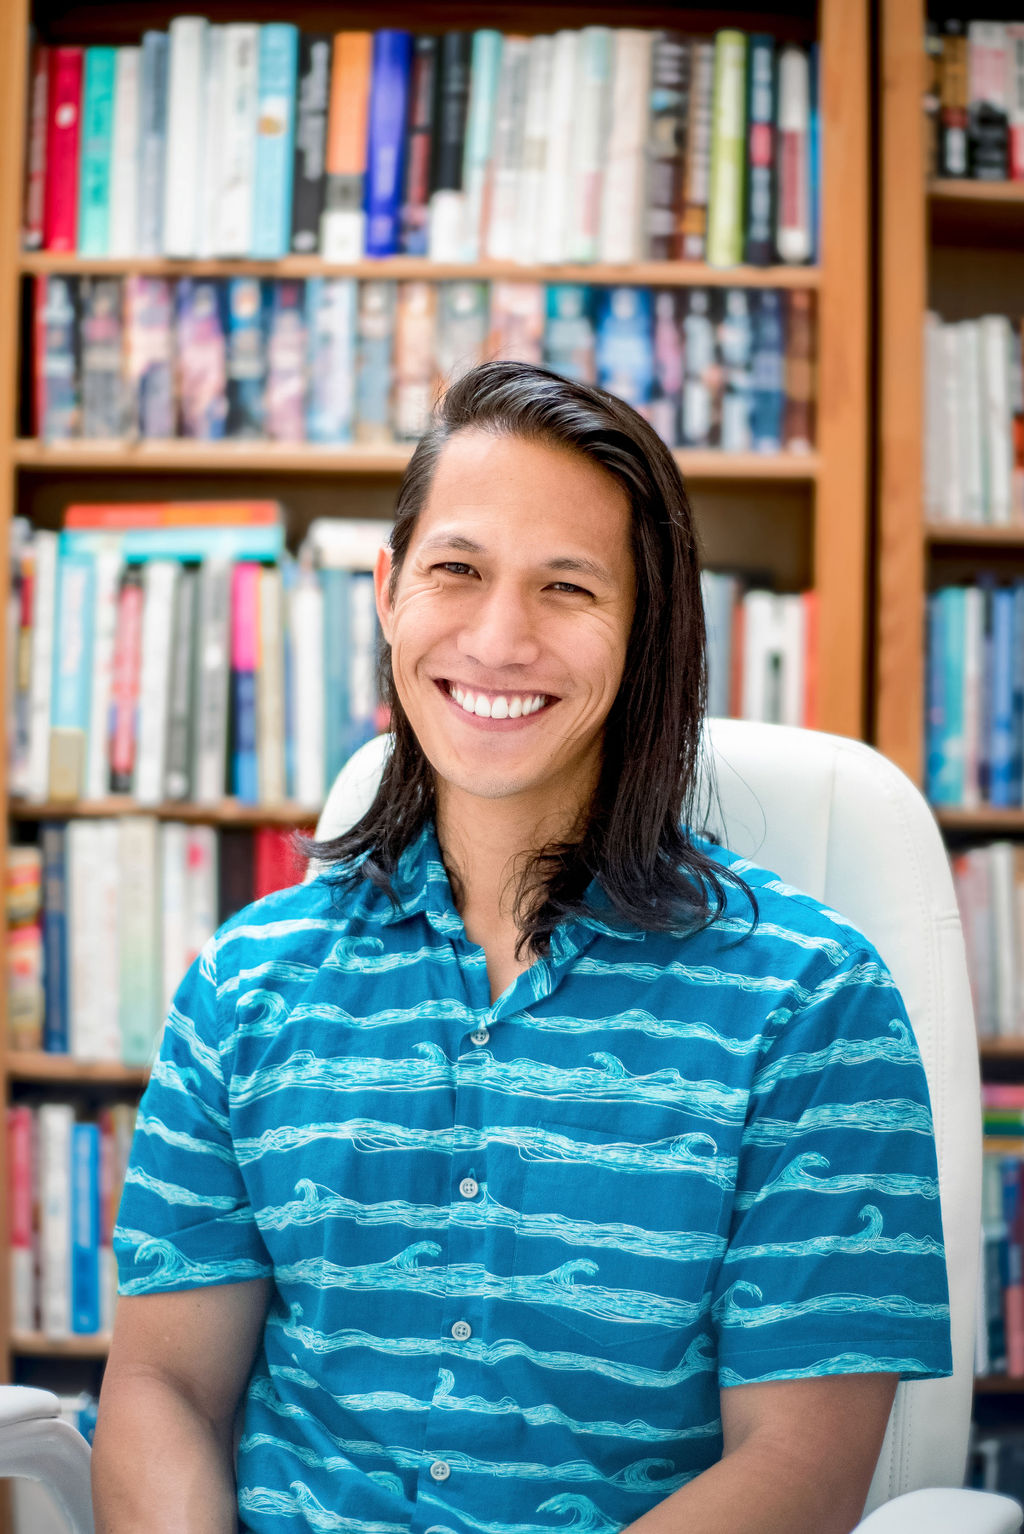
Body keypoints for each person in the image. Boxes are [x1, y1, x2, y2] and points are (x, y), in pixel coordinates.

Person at [94, 361, 952, 1534]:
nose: (499, 638)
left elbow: (799, 1466)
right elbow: (165, 1386)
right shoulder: (242, 986)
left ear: (648, 624)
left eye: (568, 587)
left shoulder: (814, 1003)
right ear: (388, 590)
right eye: (457, 570)